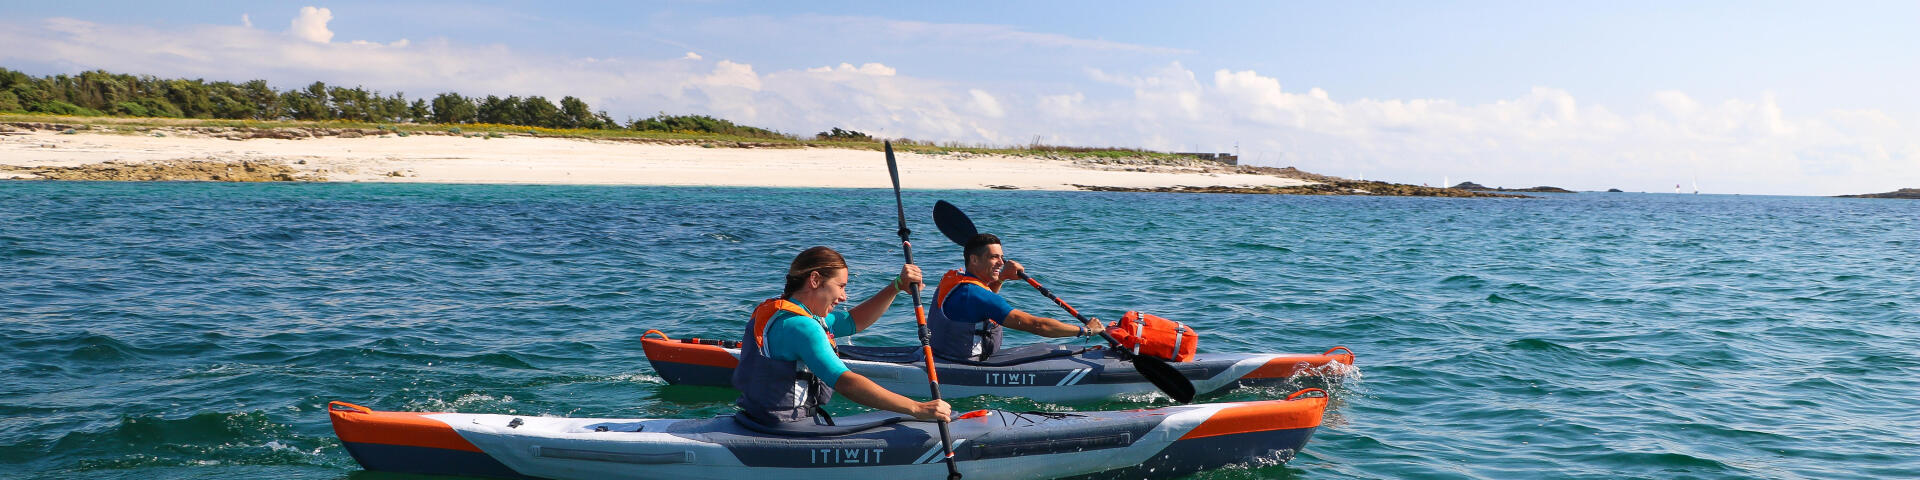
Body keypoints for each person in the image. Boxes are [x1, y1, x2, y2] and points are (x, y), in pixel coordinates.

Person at [732, 246, 951, 426]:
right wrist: (917, 408)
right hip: (783, 427)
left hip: (757, 418)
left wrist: (895, 287)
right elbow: (845, 382)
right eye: (841, 286)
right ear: (815, 280)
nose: (844, 297)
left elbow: (853, 321)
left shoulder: (784, 313)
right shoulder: (800, 327)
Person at [928, 234, 1104, 361]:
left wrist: (1001, 278)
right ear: (974, 260)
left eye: (1002, 257)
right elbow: (1037, 326)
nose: (1002, 263)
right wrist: (1085, 330)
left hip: (942, 354)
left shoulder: (955, 278)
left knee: (1044, 349)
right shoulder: (977, 295)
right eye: (994, 257)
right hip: (966, 363)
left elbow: (977, 308)